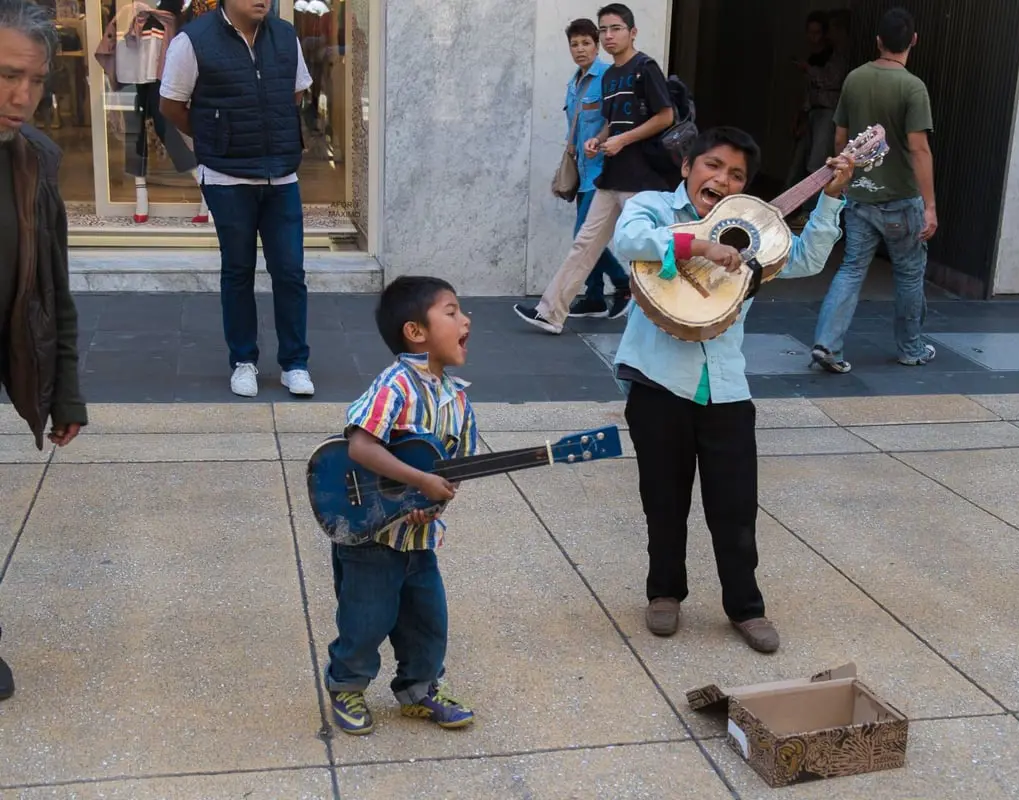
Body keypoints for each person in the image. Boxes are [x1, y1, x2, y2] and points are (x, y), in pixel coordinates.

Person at [611, 126, 854, 652]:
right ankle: (664, 593)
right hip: (656, 383)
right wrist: (698, 244)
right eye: (713, 166)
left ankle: (745, 607)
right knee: (663, 500)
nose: (723, 179)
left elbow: (807, 261)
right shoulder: (653, 206)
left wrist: (831, 198)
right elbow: (626, 241)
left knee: (736, 507)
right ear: (688, 169)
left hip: (724, 387)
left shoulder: (753, 232)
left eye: (737, 175)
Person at [324, 275, 477, 735]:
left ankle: (420, 689)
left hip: (418, 537)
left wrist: (433, 502)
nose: (465, 319)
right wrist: (418, 480)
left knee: (428, 620)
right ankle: (346, 686)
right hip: (371, 532)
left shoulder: (459, 400)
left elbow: (448, 475)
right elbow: (360, 447)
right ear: (416, 332)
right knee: (366, 620)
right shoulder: (395, 386)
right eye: (451, 312)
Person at [159, 0, 316, 398]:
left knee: (290, 272)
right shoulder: (192, 41)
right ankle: (243, 361)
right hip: (227, 177)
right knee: (238, 270)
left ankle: (294, 363)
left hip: (281, 174)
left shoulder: (286, 35)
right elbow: (171, 105)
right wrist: (216, 135)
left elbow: (294, 93)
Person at [0, 0, 89, 702]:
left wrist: (66, 388)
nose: (19, 95)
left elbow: (53, 284)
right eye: (4, 75)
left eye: (32, 80)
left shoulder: (37, 159)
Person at [515, 3, 675, 334]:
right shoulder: (612, 75)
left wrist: (624, 140)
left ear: (632, 32)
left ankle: (670, 315)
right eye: (604, 29)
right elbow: (611, 123)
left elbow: (665, 116)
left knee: (649, 250)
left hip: (641, 179)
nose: (609, 35)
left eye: (615, 28)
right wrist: (599, 139)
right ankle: (550, 312)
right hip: (610, 175)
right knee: (584, 245)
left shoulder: (645, 68)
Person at [810, 7, 937, 374]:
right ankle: (911, 348)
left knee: (851, 269)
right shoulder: (913, 87)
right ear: (913, 40)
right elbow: (919, 148)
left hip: (859, 196)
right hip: (901, 200)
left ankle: (826, 345)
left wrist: (842, 181)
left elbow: (840, 137)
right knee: (910, 273)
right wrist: (930, 206)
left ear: (878, 41)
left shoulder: (854, 78)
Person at [560, 18, 631, 320]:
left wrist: (599, 142)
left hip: (602, 171)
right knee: (585, 237)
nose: (580, 49)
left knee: (584, 238)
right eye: (574, 44)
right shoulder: (575, 82)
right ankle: (593, 297)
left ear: (597, 44)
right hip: (582, 170)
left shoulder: (606, 77)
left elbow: (612, 120)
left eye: (586, 43)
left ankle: (622, 281)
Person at [785, 11, 847, 200]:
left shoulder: (834, 55)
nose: (813, 38)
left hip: (827, 112)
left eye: (817, 33)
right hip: (812, 111)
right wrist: (801, 114)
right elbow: (807, 91)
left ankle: (810, 209)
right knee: (800, 162)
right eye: (810, 33)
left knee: (816, 163)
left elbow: (832, 81)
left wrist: (809, 70)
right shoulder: (815, 56)